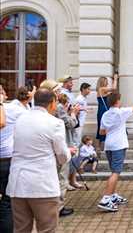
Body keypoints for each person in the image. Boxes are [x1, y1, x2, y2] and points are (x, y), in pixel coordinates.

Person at [6, 88, 72, 233]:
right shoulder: (55, 123)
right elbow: (62, 156)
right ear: (52, 103)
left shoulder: (20, 119)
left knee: (21, 229)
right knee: (47, 229)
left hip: (18, 184)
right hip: (42, 185)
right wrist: (69, 152)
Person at [98, 88, 133, 212]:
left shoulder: (105, 114)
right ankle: (106, 199)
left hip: (108, 145)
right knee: (116, 172)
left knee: (113, 170)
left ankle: (112, 195)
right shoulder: (121, 112)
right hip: (118, 145)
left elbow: (101, 132)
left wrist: (111, 129)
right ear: (117, 101)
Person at [40, 79, 76, 217]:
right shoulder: (57, 107)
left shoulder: (52, 107)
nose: (60, 91)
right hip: (60, 146)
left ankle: (52, 206)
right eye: (58, 90)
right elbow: (69, 124)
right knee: (61, 178)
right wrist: (72, 113)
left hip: (50, 147)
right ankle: (59, 207)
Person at [0, 87, 32, 233]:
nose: (6, 95)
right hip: (6, 159)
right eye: (2, 92)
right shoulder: (11, 109)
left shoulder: (8, 107)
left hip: (6, 158)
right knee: (7, 201)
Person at [96, 74, 118, 155]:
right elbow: (114, 88)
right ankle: (101, 146)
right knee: (104, 127)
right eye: (106, 81)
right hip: (103, 111)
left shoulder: (101, 90)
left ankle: (99, 146)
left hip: (102, 110)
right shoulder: (102, 89)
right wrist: (115, 79)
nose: (107, 83)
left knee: (100, 127)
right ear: (103, 82)